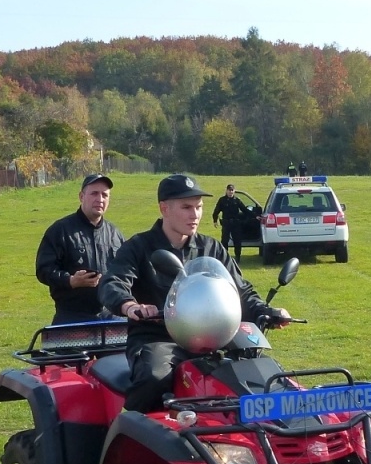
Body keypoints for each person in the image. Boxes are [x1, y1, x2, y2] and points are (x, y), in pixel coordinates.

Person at [99, 173, 287, 412]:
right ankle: (133, 431)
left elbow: (240, 290)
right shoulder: (139, 247)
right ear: (164, 208)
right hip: (159, 337)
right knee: (154, 378)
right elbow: (112, 282)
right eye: (187, 207)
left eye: (199, 207)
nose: (195, 214)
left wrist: (264, 311)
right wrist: (129, 305)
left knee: (261, 372)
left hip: (214, 337)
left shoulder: (211, 248)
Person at [34, 173, 124, 324]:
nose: (100, 199)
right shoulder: (60, 230)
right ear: (81, 196)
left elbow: (127, 272)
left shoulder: (115, 234)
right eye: (94, 193)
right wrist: (70, 281)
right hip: (71, 317)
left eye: (105, 195)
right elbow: (44, 270)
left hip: (110, 317)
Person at [213, 182, 250, 258]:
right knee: (224, 241)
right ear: (226, 191)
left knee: (237, 241)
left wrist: (255, 216)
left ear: (234, 191)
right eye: (229, 190)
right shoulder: (222, 200)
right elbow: (216, 211)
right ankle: (225, 257)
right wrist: (215, 220)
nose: (230, 192)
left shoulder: (237, 200)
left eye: (232, 190)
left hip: (236, 223)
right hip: (226, 223)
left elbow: (245, 210)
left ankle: (238, 257)